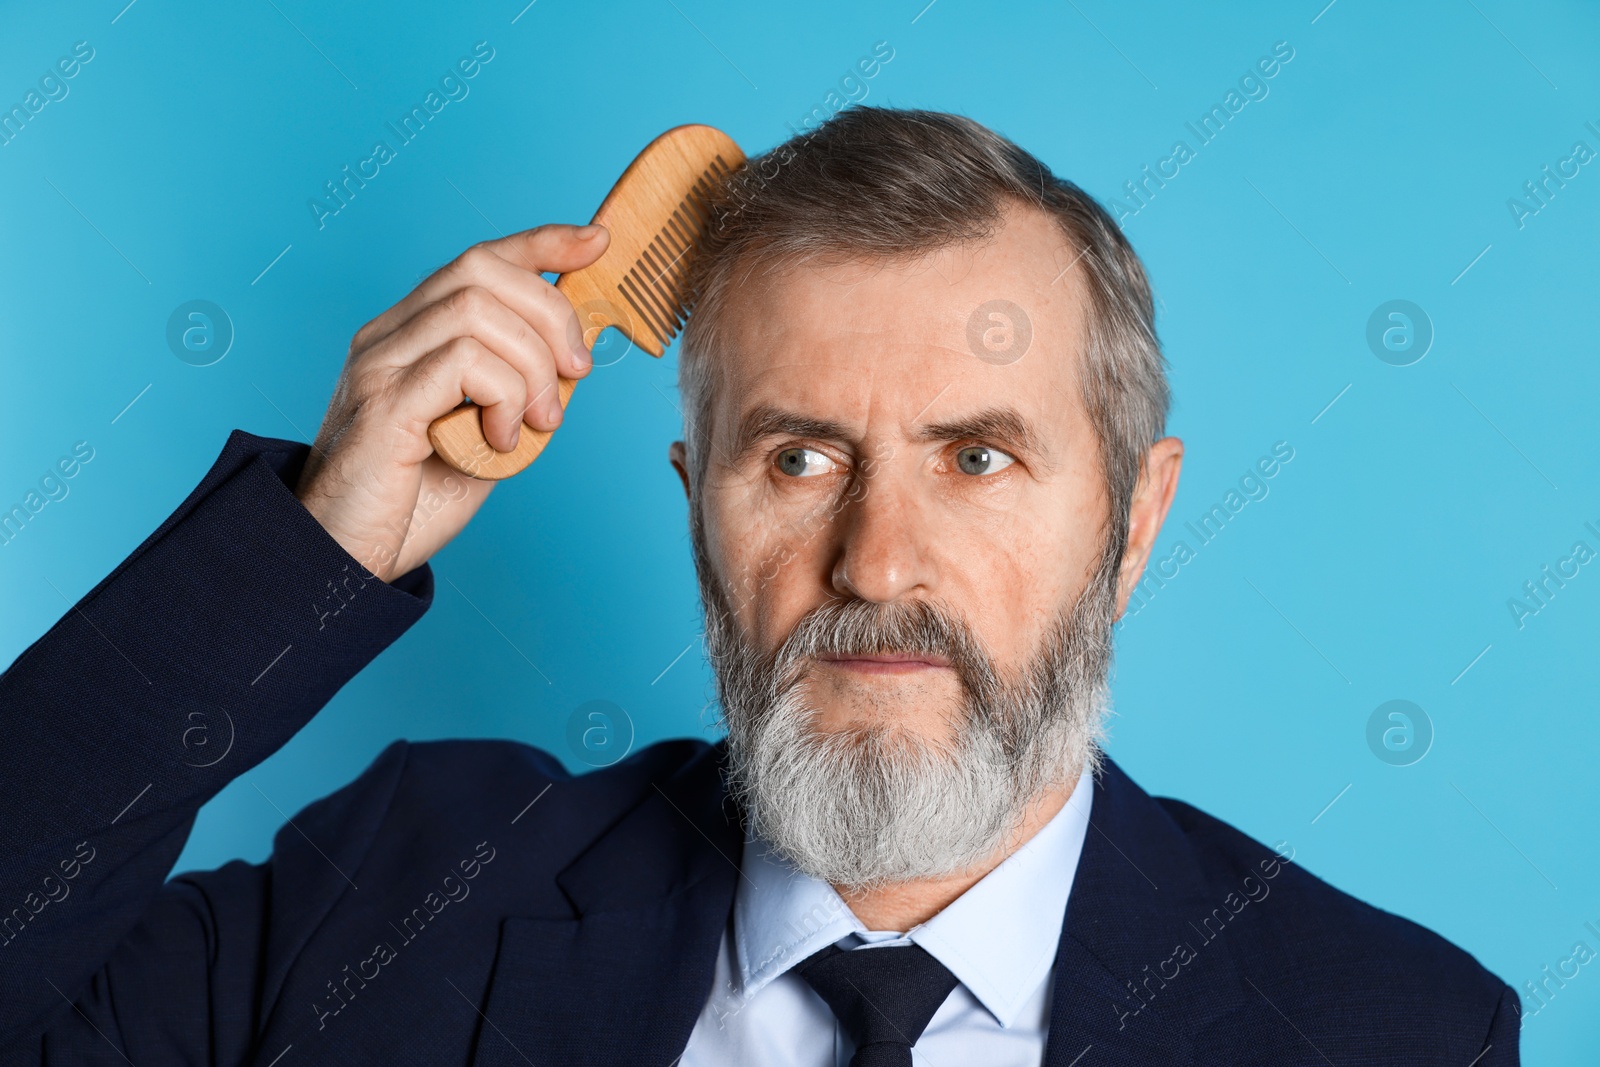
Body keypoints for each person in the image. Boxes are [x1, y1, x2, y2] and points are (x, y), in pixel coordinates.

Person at [0, 107, 1517, 1066]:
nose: (876, 562)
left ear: (1133, 523)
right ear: (694, 507)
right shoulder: (406, 889)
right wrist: (308, 552)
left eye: (978, 459)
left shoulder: (1393, 1029)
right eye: (798, 460)